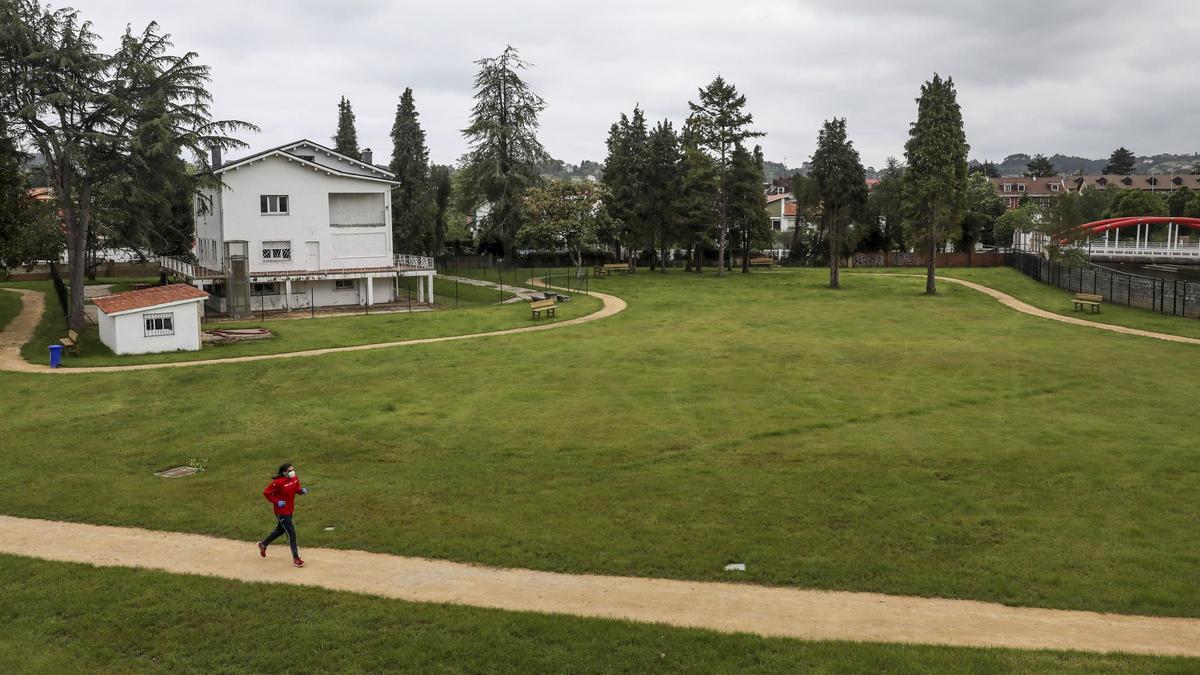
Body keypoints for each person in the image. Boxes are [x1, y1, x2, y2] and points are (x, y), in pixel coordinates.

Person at [258, 462, 307, 567]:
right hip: (281, 512)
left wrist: (301, 491)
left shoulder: (294, 478)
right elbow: (266, 493)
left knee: (280, 530)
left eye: (293, 469)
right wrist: (276, 502)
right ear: (284, 472)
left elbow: (296, 489)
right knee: (291, 533)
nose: (292, 472)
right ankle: (296, 558)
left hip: (290, 509)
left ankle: (263, 544)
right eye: (290, 470)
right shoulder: (278, 482)